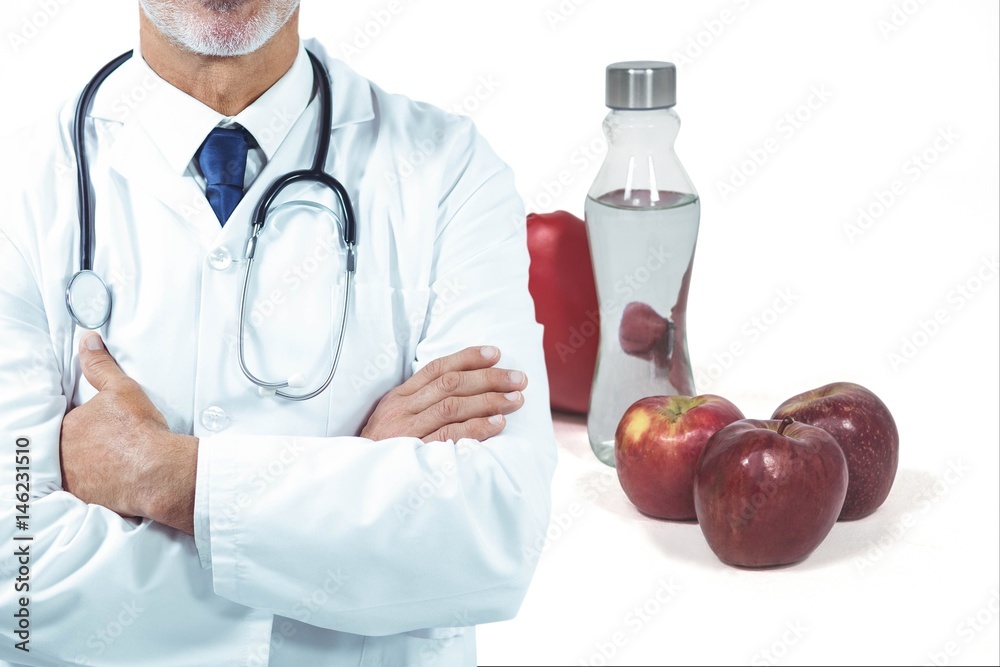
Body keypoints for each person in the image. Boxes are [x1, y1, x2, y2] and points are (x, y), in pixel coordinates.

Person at [0, 1, 556, 665]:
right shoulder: (19, 187)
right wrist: (347, 498)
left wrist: (168, 477)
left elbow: (492, 536)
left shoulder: (448, 172)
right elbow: (18, 587)